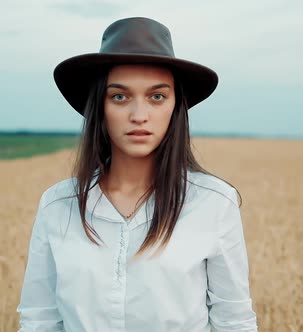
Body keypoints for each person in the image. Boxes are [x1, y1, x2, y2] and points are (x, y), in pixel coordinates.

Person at [16, 17, 258, 332]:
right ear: (99, 107)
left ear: (175, 107)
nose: (139, 116)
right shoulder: (57, 205)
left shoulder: (214, 204)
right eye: (120, 97)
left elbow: (234, 322)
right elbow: (40, 320)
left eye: (157, 96)